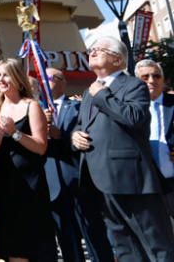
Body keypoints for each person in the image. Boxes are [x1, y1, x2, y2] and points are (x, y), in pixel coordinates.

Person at [73, 37, 174, 259]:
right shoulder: (90, 91)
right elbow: (83, 125)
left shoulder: (133, 85)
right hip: (100, 179)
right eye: (92, 49)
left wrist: (103, 95)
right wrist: (75, 136)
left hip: (130, 179)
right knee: (124, 245)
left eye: (99, 49)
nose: (92, 52)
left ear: (117, 59)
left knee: (155, 243)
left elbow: (134, 117)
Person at [0, 58, 56, 261]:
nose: (1, 79)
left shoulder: (31, 106)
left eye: (6, 74)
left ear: (17, 78)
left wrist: (15, 133)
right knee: (10, 244)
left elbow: (41, 146)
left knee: (32, 240)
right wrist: (0, 135)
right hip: (3, 183)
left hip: (29, 183)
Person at [43, 68, 111, 262]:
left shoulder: (78, 107)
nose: (45, 82)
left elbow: (88, 138)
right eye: (42, 78)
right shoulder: (35, 110)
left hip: (78, 180)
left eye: (50, 78)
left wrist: (62, 136)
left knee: (94, 234)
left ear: (63, 82)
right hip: (51, 185)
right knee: (67, 241)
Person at [135, 58, 174, 213]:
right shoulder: (130, 109)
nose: (151, 80)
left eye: (156, 76)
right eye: (145, 77)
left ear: (163, 80)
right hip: (148, 184)